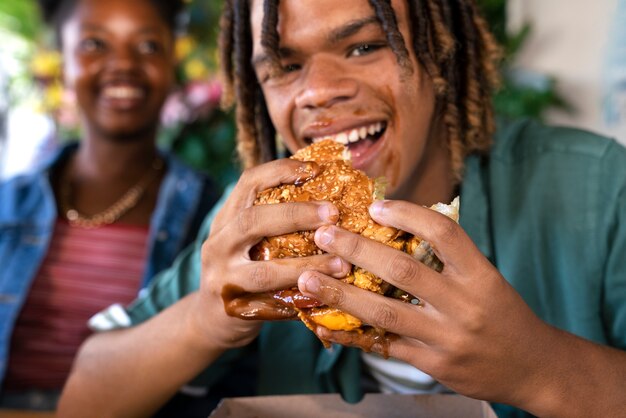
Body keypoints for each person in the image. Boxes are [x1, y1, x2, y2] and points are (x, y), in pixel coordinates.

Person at [58, 0, 626, 417]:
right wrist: (208, 317)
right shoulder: (258, 229)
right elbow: (84, 398)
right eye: (284, 67)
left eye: (364, 46)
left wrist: (538, 367)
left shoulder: (599, 188)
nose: (318, 92)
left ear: (439, 49)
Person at [0, 0, 221, 411]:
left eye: (149, 46)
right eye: (94, 44)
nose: (123, 64)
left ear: (175, 58)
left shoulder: (215, 217)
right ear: (60, 61)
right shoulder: (5, 205)